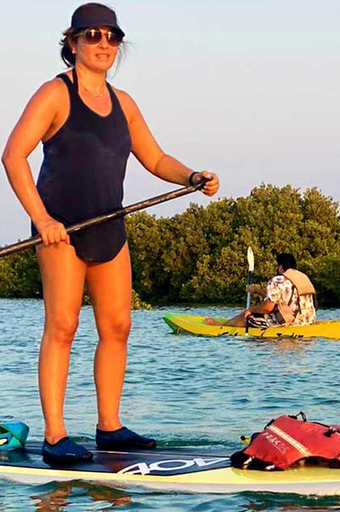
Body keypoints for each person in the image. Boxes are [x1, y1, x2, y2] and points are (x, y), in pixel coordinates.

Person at [1, 3, 220, 463]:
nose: (103, 44)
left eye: (111, 36)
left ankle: (109, 427)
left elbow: (156, 160)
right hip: (61, 228)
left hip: (109, 227)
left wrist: (192, 176)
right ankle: (56, 436)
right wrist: (43, 221)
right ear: (73, 43)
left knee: (118, 327)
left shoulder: (125, 104)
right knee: (62, 327)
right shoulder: (54, 94)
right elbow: (13, 156)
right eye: (92, 36)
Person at [206, 253, 316, 328]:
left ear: (281, 268)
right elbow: (278, 297)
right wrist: (256, 290)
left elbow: (268, 308)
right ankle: (226, 323)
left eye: (277, 266)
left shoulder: (277, 280)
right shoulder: (302, 278)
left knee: (246, 315)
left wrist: (251, 310)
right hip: (308, 321)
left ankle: (220, 327)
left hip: (289, 324)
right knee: (252, 312)